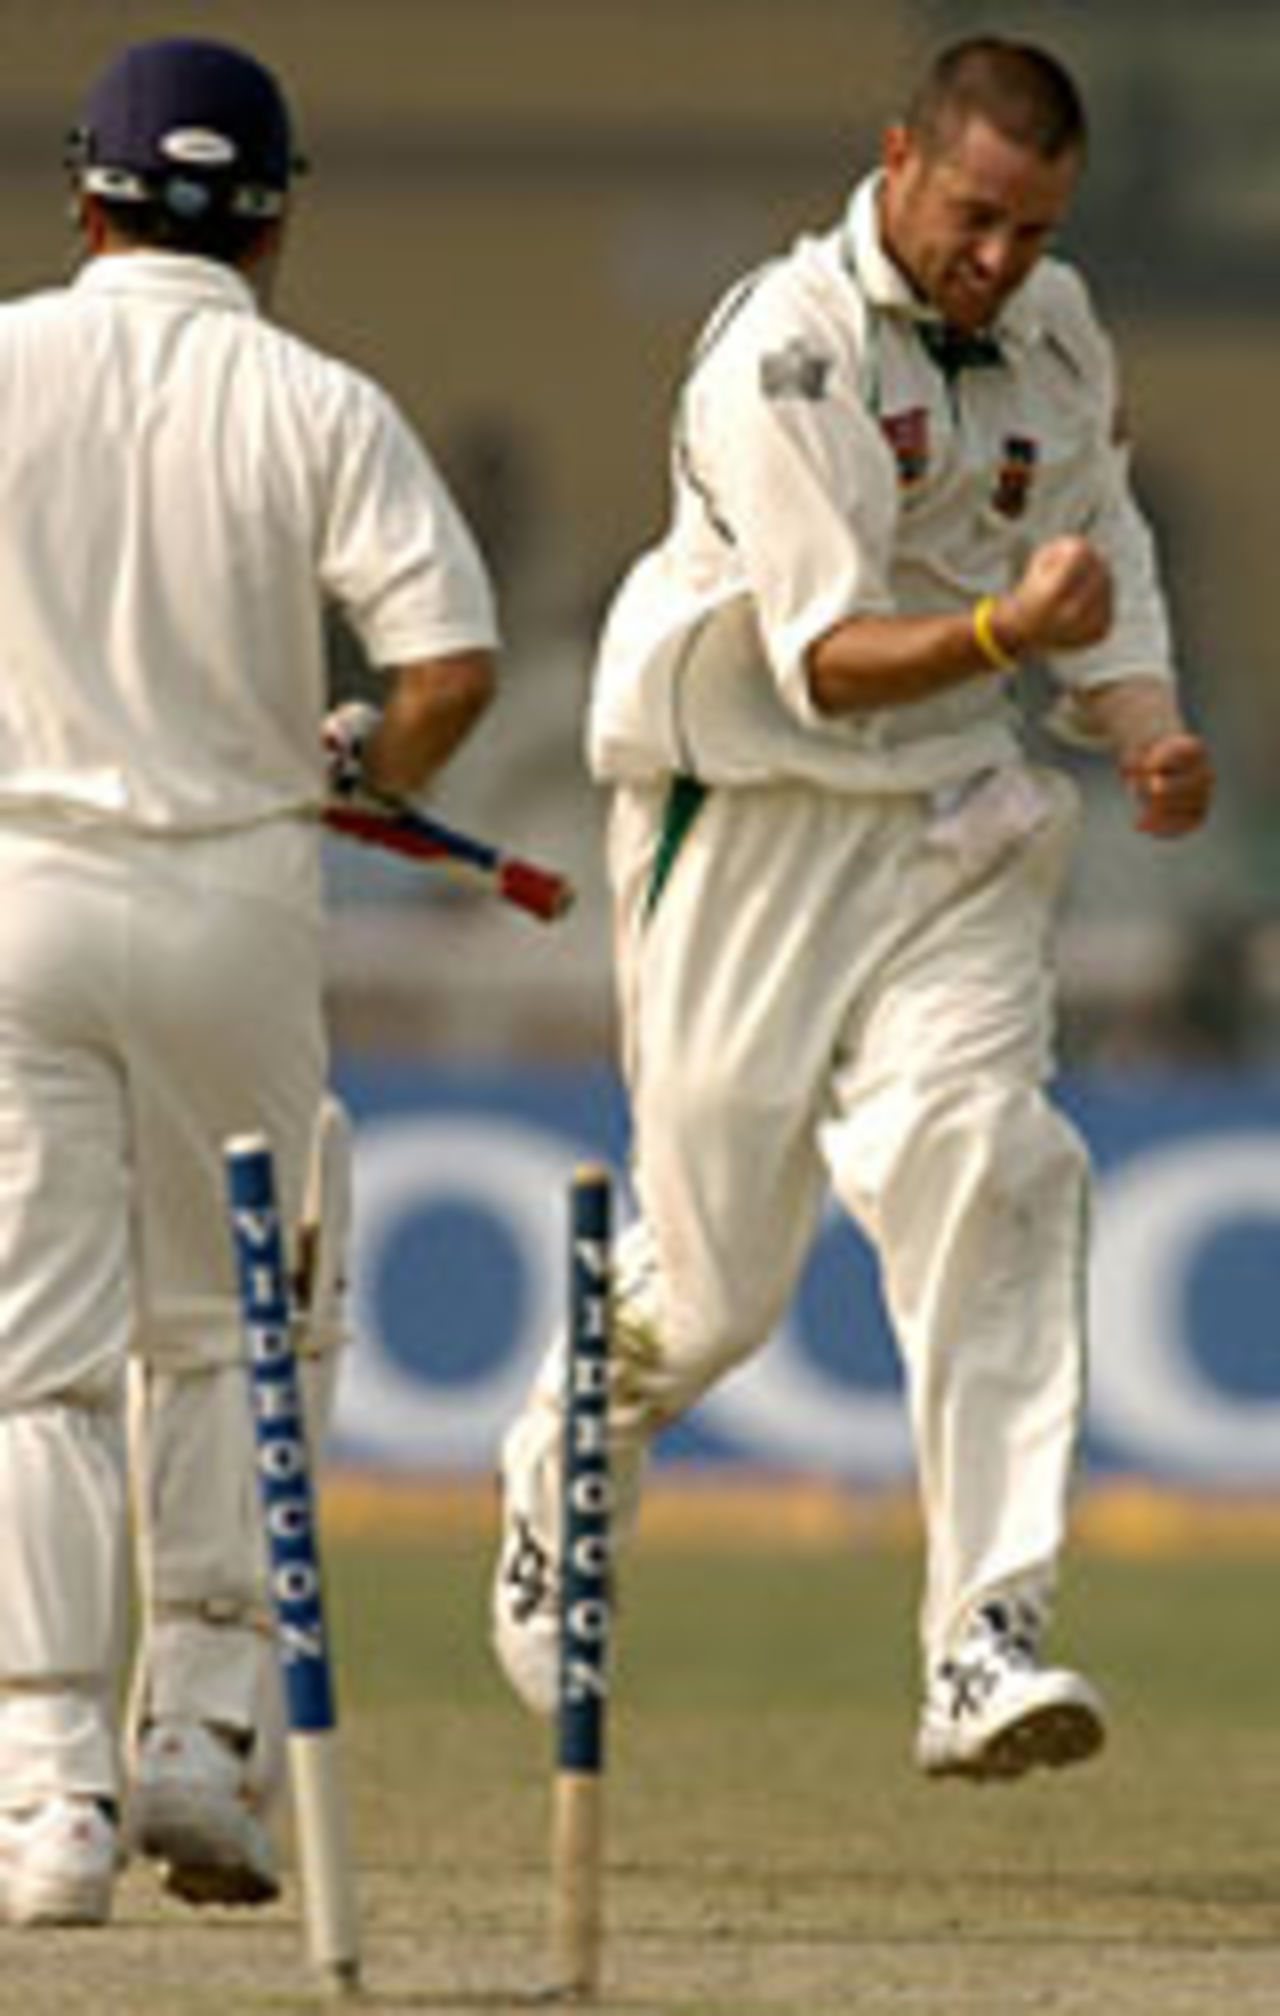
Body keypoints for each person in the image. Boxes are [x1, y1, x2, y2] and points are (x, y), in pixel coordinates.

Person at [492, 37, 1213, 1782]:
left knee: (993, 1159)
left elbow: (1092, 531)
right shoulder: (782, 351)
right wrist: (1005, 640)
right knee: (724, 1291)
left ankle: (984, 1639)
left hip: (954, 818)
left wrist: (1144, 723)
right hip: (749, 816)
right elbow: (822, 666)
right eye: (975, 218)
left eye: (1030, 231)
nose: (998, 260)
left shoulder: (1058, 327)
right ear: (897, 163)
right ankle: (564, 1451)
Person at [0, 36, 497, 1926]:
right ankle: (198, 1744)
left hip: (19, 891)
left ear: (84, 191)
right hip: (232, 901)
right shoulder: (318, 400)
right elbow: (447, 669)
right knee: (223, 1331)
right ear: (276, 215)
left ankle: (44, 1802)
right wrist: (364, 756)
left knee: (32, 1364)